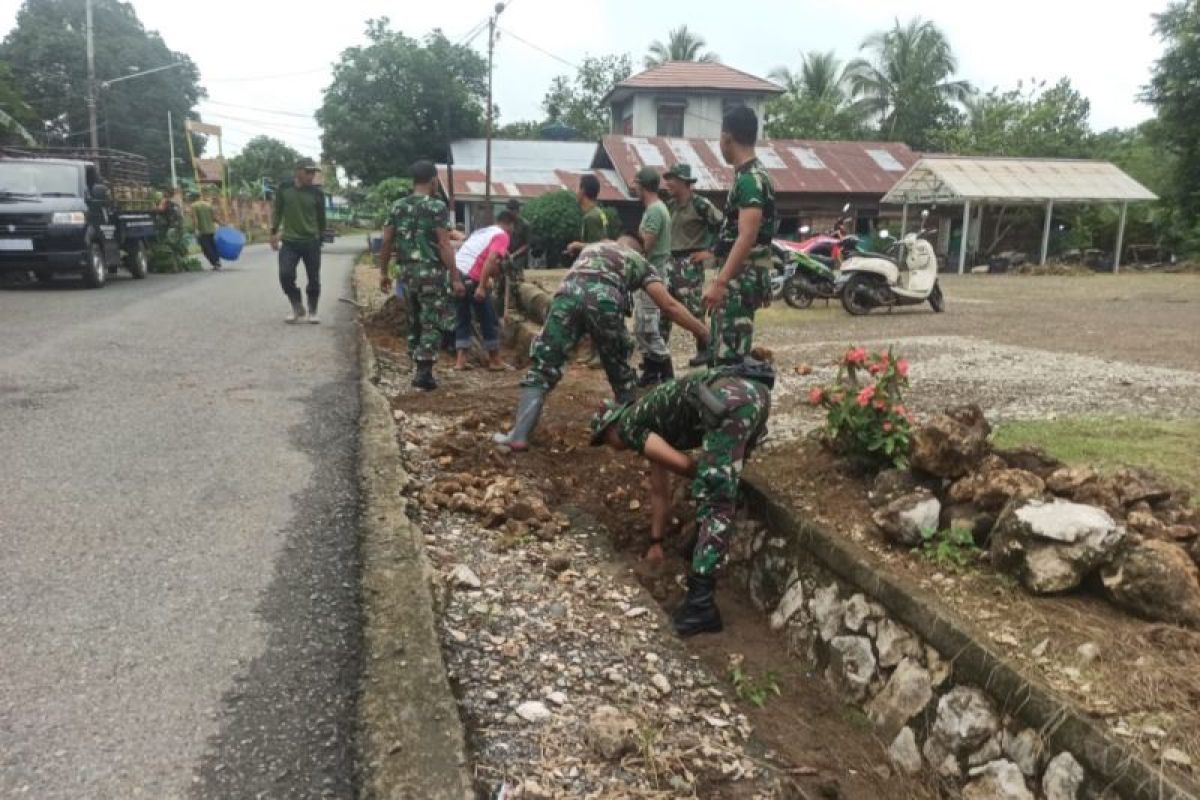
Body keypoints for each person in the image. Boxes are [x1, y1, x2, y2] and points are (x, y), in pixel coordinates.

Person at [588, 354, 774, 636]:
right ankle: (698, 548)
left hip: (729, 400)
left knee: (715, 497)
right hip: (753, 396)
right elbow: (659, 490)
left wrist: (714, 477)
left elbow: (686, 466)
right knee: (719, 486)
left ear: (612, 425)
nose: (611, 447)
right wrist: (656, 542)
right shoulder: (648, 419)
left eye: (605, 440)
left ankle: (701, 607)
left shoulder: (629, 427)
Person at [491, 236, 710, 453]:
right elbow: (669, 306)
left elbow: (580, 252)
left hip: (566, 295)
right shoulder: (639, 261)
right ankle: (635, 436)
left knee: (543, 366)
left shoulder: (596, 247)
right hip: (604, 299)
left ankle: (518, 436)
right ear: (639, 251)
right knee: (621, 376)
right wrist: (701, 331)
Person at [377, 160, 465, 391]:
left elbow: (387, 242)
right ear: (434, 180)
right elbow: (445, 244)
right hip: (431, 275)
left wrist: (383, 272)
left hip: (406, 275)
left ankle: (416, 363)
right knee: (431, 321)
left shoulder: (397, 206)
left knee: (414, 319)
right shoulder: (436, 207)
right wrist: (455, 277)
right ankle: (424, 371)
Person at [703, 107, 777, 363]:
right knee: (724, 347)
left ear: (726, 138)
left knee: (729, 357)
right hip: (741, 275)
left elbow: (747, 236)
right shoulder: (750, 176)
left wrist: (720, 282)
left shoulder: (750, 180)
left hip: (740, 278)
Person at [663, 163, 723, 366]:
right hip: (669, 261)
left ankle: (706, 349)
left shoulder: (700, 204)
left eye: (672, 179)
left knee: (694, 310)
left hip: (689, 264)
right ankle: (659, 356)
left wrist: (710, 251)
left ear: (684, 183)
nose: (668, 183)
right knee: (664, 308)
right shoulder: (669, 206)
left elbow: (723, 226)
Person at [453, 211, 515, 371]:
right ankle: (495, 360)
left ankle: (460, 362)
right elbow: (491, 259)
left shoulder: (482, 231)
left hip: (456, 273)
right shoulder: (503, 235)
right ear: (510, 225)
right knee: (488, 317)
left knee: (462, 317)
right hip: (472, 276)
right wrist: (482, 286)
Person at [631, 167, 674, 387]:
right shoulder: (653, 209)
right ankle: (650, 371)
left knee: (648, 327)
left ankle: (666, 372)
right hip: (647, 274)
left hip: (652, 275)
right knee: (641, 326)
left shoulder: (655, 211)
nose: (634, 188)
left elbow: (646, 244)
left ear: (643, 186)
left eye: (636, 184)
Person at [271, 158, 327, 324]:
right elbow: (278, 211)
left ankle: (313, 310)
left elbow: (321, 218)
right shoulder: (284, 188)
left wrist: (320, 237)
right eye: (308, 172)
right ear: (298, 171)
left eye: (313, 172)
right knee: (285, 275)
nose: (311, 176)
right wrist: (273, 233)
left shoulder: (317, 193)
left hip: (311, 241)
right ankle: (296, 305)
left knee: (314, 278)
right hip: (289, 242)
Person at [566, 175, 610, 255]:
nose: (575, 192)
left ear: (582, 191)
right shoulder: (599, 212)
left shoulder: (590, 217)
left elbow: (597, 247)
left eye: (577, 188)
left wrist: (576, 245)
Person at [190, 188, 221, 271]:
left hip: (202, 231)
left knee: (206, 249)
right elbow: (214, 217)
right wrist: (222, 224)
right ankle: (217, 261)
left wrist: (196, 229)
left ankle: (215, 262)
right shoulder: (208, 205)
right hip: (212, 230)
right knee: (213, 246)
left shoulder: (193, 206)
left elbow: (195, 219)